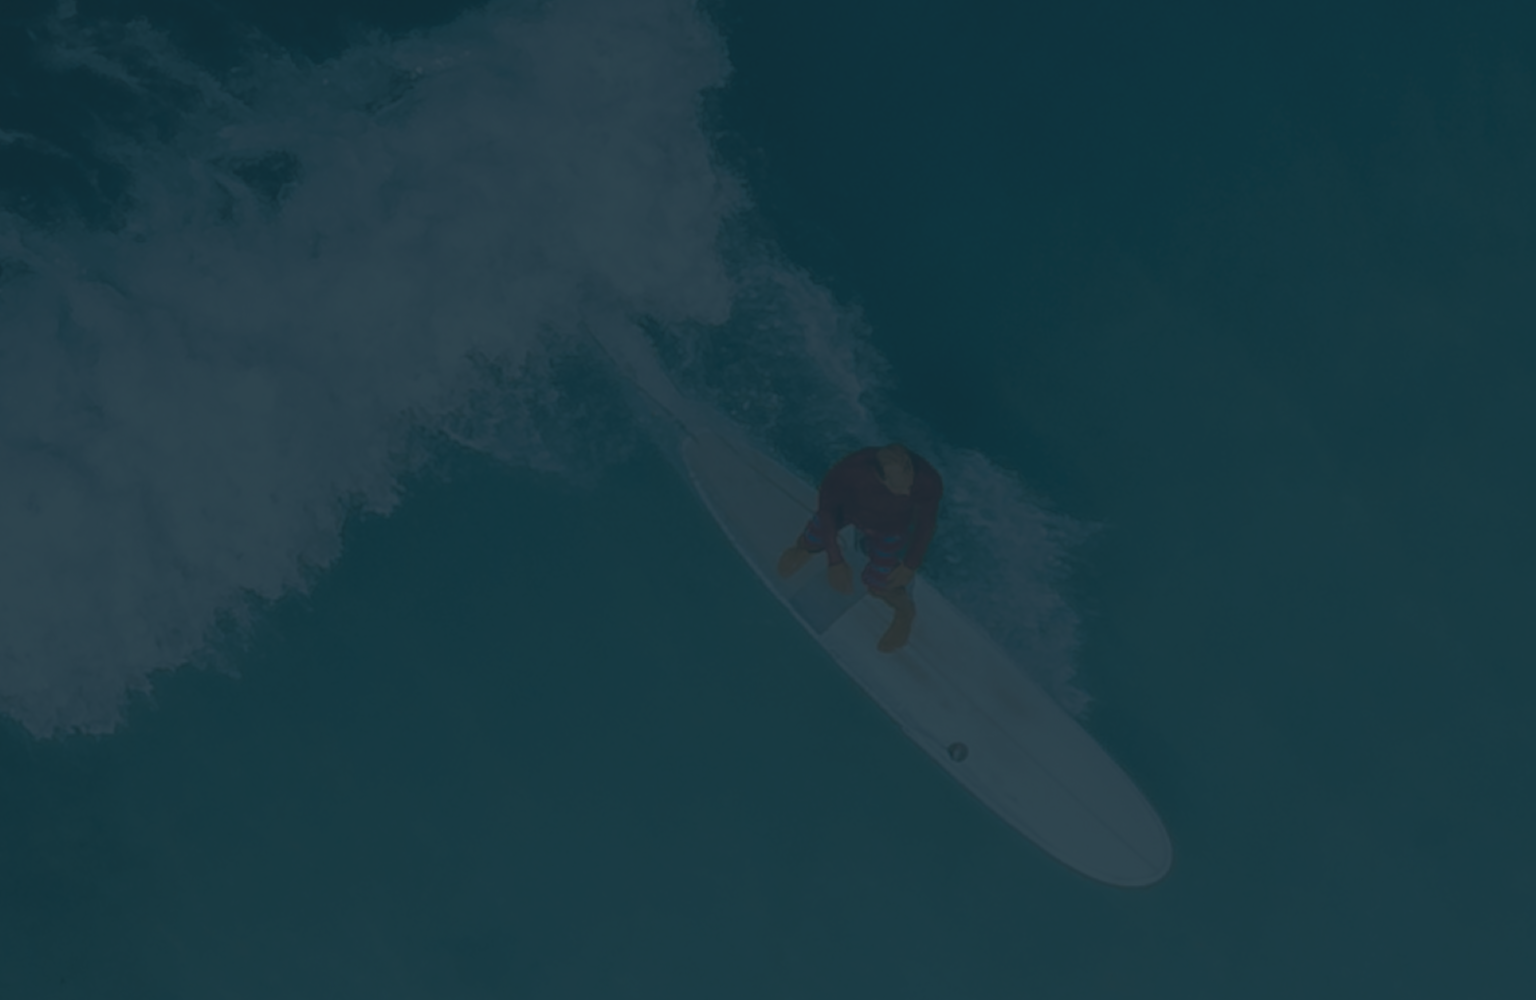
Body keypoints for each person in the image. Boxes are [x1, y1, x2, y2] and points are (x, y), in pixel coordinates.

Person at [776, 442, 943, 653]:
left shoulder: (926, 481)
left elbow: (925, 524)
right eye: (901, 488)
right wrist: (835, 560)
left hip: (891, 528)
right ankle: (804, 549)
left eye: (910, 485)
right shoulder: (849, 472)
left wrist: (911, 564)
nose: (909, 492)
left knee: (881, 584)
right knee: (813, 536)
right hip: (848, 511)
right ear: (880, 477)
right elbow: (827, 511)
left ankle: (905, 613)